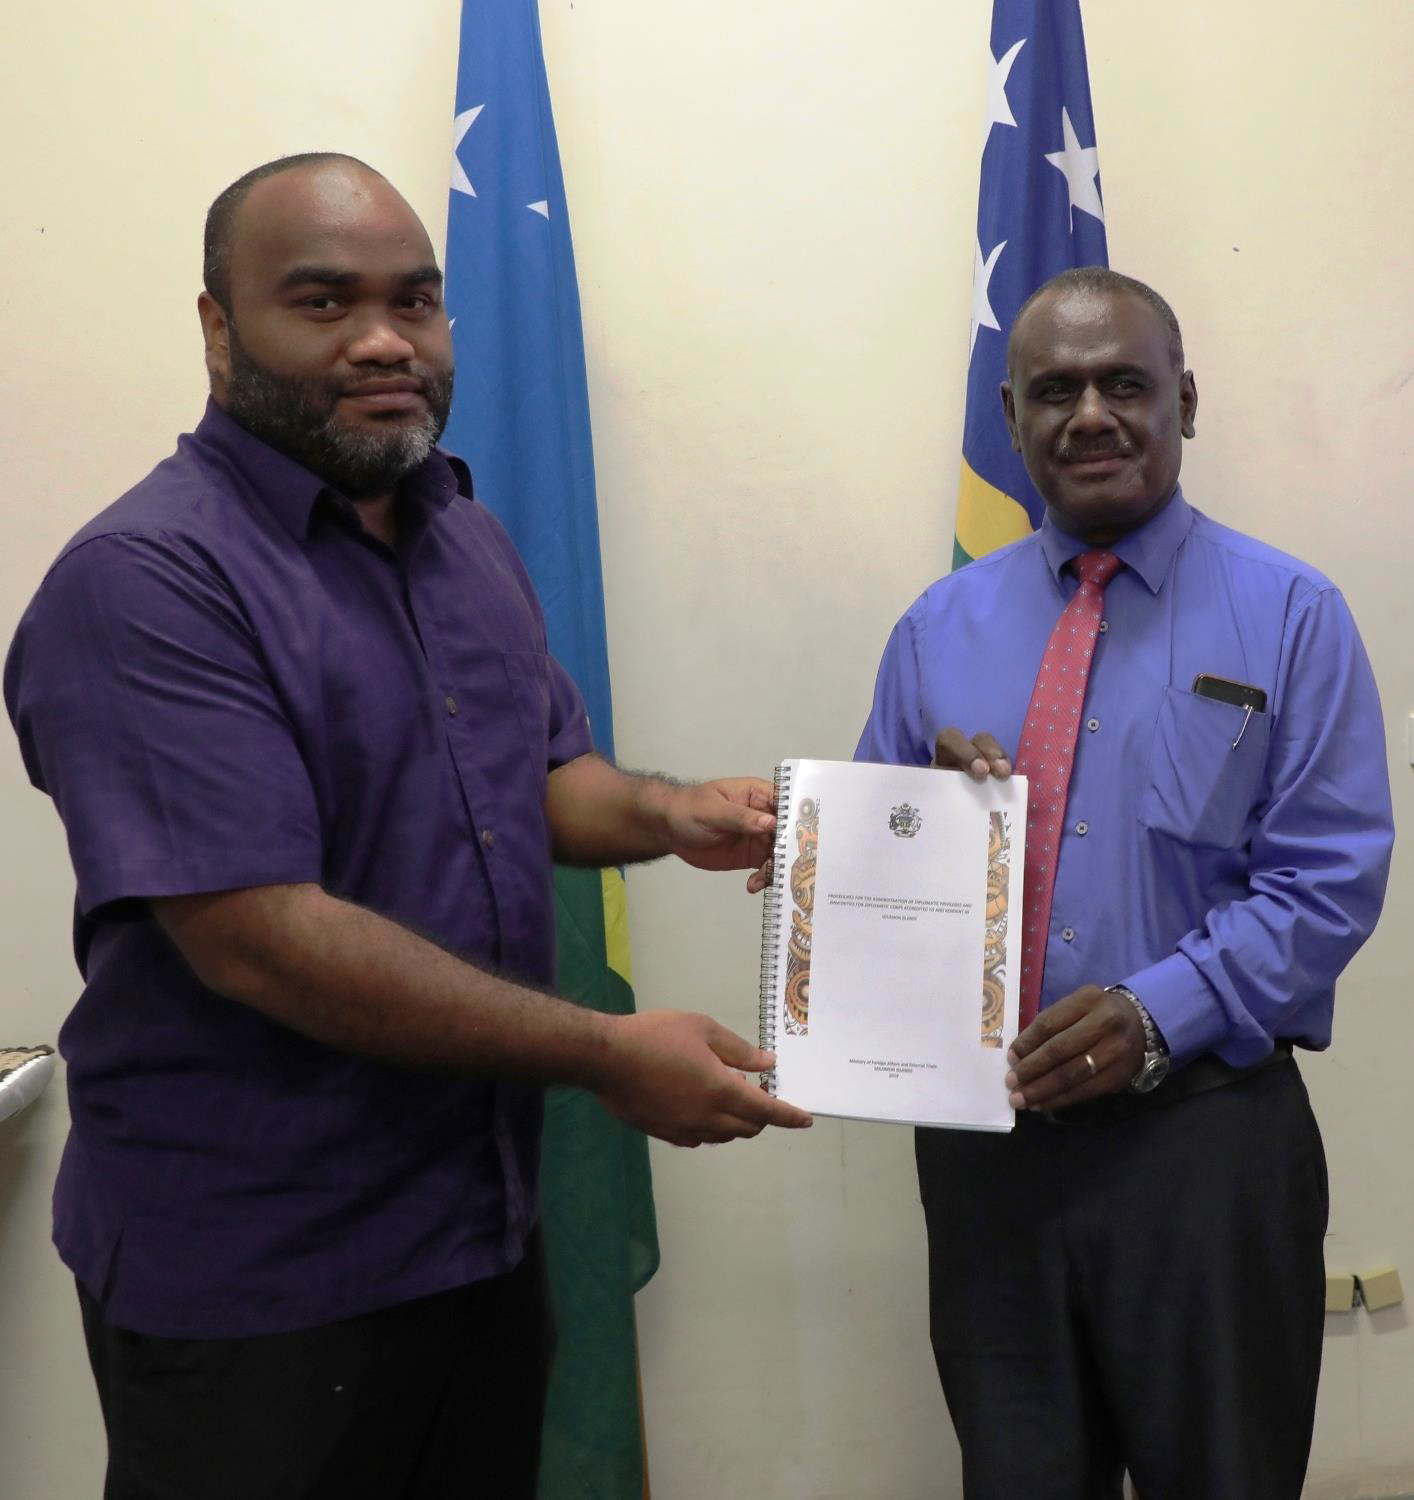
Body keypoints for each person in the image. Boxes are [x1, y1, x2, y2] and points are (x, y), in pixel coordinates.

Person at [4, 152, 811, 1500]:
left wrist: (672, 813)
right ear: (218, 328)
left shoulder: (459, 539)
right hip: (259, 1275)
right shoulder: (146, 583)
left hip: (476, 1234)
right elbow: (261, 937)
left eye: (415, 302)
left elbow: (539, 777)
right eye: (322, 303)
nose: (386, 341)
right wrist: (608, 1051)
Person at [856, 267, 1392, 1500]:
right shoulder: (935, 632)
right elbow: (868, 884)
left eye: (1123, 383)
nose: (1088, 412)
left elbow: (1325, 882)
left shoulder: (1292, 615)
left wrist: (1156, 1016)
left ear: (1184, 401)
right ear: (1012, 416)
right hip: (991, 1148)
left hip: (1205, 1147)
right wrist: (911, 811)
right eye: (1054, 389)